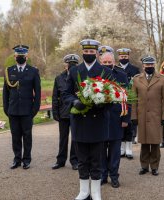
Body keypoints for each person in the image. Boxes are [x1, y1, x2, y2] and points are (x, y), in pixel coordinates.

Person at [61, 39, 112, 200]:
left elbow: (112, 97)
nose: (89, 54)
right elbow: (66, 93)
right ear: (82, 52)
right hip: (80, 121)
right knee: (82, 160)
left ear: (97, 53)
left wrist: (100, 104)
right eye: (86, 51)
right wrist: (74, 102)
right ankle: (84, 191)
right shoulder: (75, 70)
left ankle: (96, 192)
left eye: (92, 52)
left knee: (96, 160)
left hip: (98, 122)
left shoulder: (104, 71)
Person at [3, 45, 41, 170]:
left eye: (22, 55)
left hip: (27, 110)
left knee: (27, 135)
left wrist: (34, 110)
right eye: (18, 55)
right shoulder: (9, 71)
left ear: (26, 56)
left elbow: (38, 92)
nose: (20, 57)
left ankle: (27, 159)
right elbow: (5, 92)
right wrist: (6, 108)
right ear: (15, 57)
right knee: (15, 136)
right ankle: (17, 159)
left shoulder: (33, 71)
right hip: (13, 110)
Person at [131, 55, 164, 176]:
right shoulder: (137, 79)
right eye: (147, 65)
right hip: (142, 115)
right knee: (144, 142)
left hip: (156, 115)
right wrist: (133, 116)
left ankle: (154, 166)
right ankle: (144, 166)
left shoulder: (162, 79)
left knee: (154, 142)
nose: (149, 66)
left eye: (151, 64)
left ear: (154, 65)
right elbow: (133, 99)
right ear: (143, 65)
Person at [98, 46, 129, 188]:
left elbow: (127, 98)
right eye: (104, 62)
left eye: (109, 62)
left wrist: (125, 119)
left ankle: (114, 176)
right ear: (100, 61)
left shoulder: (121, 75)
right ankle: (103, 175)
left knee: (115, 151)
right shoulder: (95, 75)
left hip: (117, 118)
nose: (107, 64)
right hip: (100, 118)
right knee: (101, 149)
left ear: (114, 61)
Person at [51, 54, 79, 170]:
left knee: (75, 138)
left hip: (76, 111)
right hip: (63, 112)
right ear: (65, 64)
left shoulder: (80, 77)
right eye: (69, 63)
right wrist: (55, 112)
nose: (71, 65)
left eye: (74, 63)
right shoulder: (59, 78)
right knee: (63, 138)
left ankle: (74, 161)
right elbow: (55, 97)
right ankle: (60, 160)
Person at [117, 48, 140, 157]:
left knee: (129, 123)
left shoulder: (135, 69)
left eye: (125, 57)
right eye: (122, 57)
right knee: (120, 123)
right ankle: (121, 148)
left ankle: (129, 149)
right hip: (118, 99)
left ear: (128, 57)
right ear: (119, 57)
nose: (123, 58)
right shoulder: (115, 69)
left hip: (130, 99)